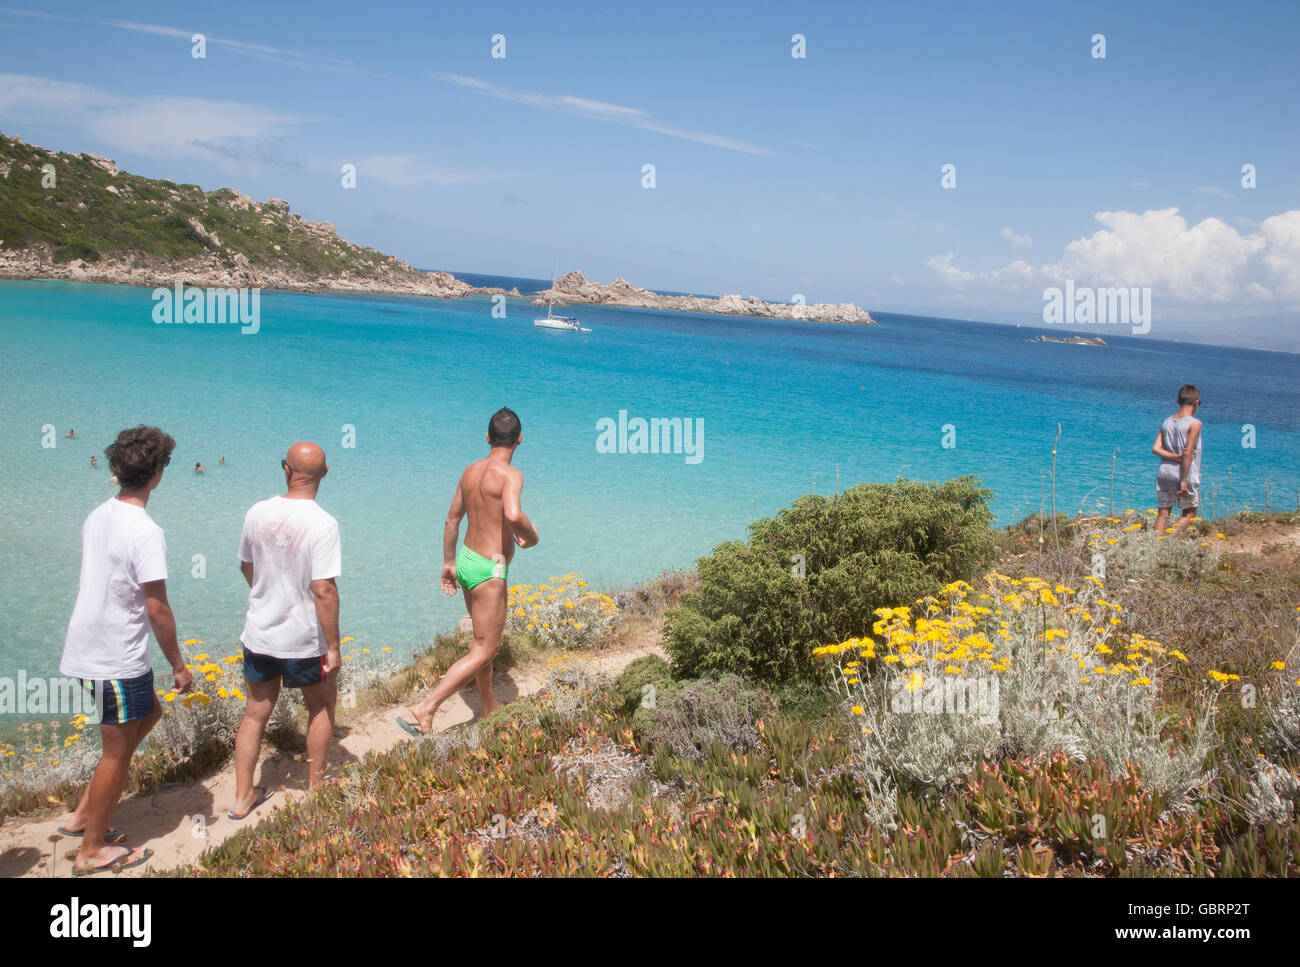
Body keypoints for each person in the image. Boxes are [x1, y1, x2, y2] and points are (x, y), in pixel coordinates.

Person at [59, 425, 192, 874]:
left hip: (87, 644)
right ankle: (90, 849)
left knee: (149, 713)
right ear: (157, 474)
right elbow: (157, 608)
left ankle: (82, 815)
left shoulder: (99, 513)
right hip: (113, 656)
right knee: (116, 751)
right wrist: (178, 663)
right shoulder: (147, 531)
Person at [399, 408, 538, 735]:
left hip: (466, 559)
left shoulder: (470, 472)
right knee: (485, 647)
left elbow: (452, 520)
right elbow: (514, 515)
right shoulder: (510, 475)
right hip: (490, 570)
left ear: (488, 437)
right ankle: (426, 707)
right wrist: (532, 537)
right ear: (520, 439)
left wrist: (448, 563)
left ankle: (488, 705)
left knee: (481, 640)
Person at [231, 442, 341, 818]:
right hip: (304, 638)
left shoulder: (257, 511)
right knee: (321, 706)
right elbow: (323, 588)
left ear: (285, 469)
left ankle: (243, 797)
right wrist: (334, 645)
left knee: (254, 714)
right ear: (326, 472)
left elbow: (247, 566)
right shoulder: (323, 523)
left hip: (260, 631)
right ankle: (316, 788)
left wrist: (267, 597)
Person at [1153, 384, 1203, 534]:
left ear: (1178, 402)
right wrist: (1184, 481)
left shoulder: (1167, 422)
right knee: (1189, 513)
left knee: (1163, 513)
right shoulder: (1195, 424)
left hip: (1165, 472)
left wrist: (1174, 456)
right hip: (1183, 473)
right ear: (1197, 403)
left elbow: (1156, 449)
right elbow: (1188, 453)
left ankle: (1156, 544)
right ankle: (1168, 542)